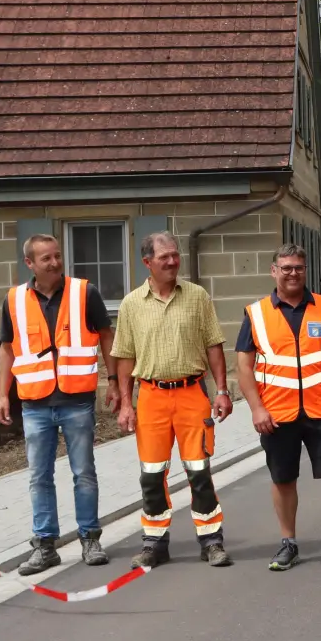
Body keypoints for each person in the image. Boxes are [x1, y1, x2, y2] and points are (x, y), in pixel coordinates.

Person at [0, 234, 118, 575]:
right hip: (34, 403)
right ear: (30, 264)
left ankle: (90, 539)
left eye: (57, 256)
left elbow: (106, 336)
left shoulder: (84, 293)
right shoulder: (14, 299)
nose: (54, 262)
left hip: (76, 399)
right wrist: (3, 394)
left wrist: (115, 381)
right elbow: (7, 349)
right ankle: (45, 545)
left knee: (84, 473)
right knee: (39, 477)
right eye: (46, 258)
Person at [235, 244, 321, 572]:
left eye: (299, 268)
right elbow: (244, 367)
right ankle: (288, 543)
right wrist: (256, 409)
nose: (293, 273)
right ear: (273, 271)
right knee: (283, 479)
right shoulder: (256, 313)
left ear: (306, 271)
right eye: (286, 268)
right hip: (276, 415)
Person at [112, 232, 233, 569]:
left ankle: (211, 541)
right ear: (147, 262)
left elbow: (214, 344)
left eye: (175, 255)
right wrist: (125, 403)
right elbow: (123, 357)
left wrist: (221, 390)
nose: (172, 261)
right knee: (151, 474)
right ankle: (154, 543)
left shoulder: (197, 297)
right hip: (150, 397)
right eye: (164, 257)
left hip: (192, 394)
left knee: (199, 470)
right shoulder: (132, 304)